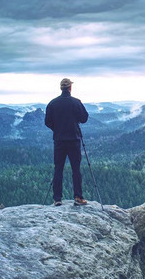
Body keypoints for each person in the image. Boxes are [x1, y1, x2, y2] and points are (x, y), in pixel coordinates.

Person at [45, 78, 89, 206]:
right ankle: (78, 197)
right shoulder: (76, 102)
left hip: (59, 140)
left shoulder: (52, 104)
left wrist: (57, 128)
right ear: (70, 88)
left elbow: (47, 122)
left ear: (61, 88)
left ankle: (57, 199)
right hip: (74, 140)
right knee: (76, 169)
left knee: (58, 168)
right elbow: (84, 118)